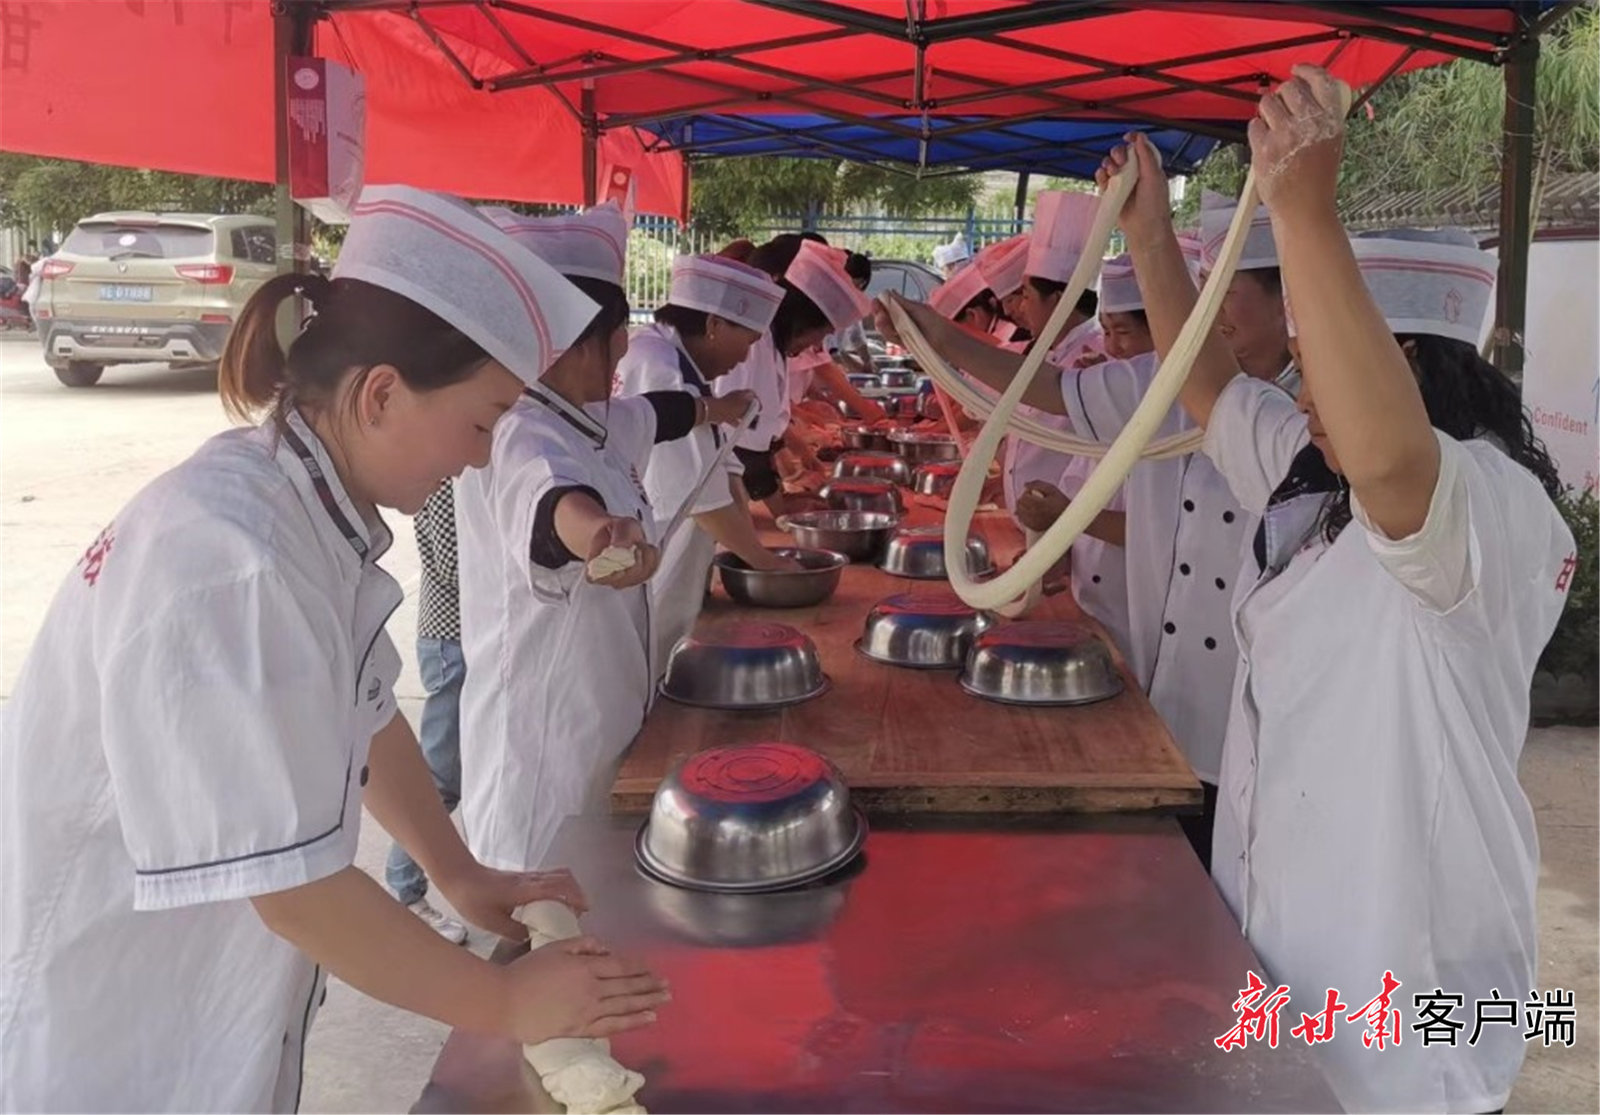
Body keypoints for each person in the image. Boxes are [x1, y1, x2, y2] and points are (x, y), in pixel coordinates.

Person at [0, 185, 670, 1112]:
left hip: (205, 994)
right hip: (116, 1021)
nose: (481, 461)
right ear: (381, 393)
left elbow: (363, 712)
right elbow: (296, 890)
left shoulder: (308, 514)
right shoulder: (232, 556)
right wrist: (503, 998)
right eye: (480, 422)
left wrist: (455, 869)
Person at [1105, 67, 1572, 1112]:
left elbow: (1395, 460)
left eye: (1318, 360)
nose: (1300, 391)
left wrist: (1301, 210)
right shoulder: (1307, 479)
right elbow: (1214, 387)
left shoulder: (1483, 509)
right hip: (1286, 972)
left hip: (1404, 1026)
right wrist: (1146, 239)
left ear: (1401, 362)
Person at [456, 204, 758, 872]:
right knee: (543, 927)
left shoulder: (598, 417)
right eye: (619, 335)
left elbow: (660, 414)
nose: (626, 350)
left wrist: (720, 409)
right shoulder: (521, 431)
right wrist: (601, 535)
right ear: (588, 338)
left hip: (607, 717)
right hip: (544, 752)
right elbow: (555, 502)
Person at [614, 252, 792, 673]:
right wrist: (768, 565)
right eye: (747, 342)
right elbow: (701, 498)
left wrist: (754, 548)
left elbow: (721, 469)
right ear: (714, 325)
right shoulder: (661, 369)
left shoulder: (671, 358)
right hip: (647, 567)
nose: (747, 359)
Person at [714, 236, 873, 517]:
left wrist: (782, 496)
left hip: (725, 492)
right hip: (707, 490)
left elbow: (764, 434)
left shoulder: (773, 343)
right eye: (821, 333)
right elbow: (738, 441)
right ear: (803, 320)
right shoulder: (752, 344)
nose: (815, 346)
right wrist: (781, 508)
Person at [387, 479, 470, 943]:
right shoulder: (444, 479)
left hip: (471, 637)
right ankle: (406, 894)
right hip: (452, 640)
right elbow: (453, 565)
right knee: (440, 779)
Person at [1196, 191, 1300, 396]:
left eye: (1224, 291)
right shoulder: (1193, 381)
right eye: (1202, 288)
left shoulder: (1318, 394)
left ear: (1283, 298)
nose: (1208, 307)